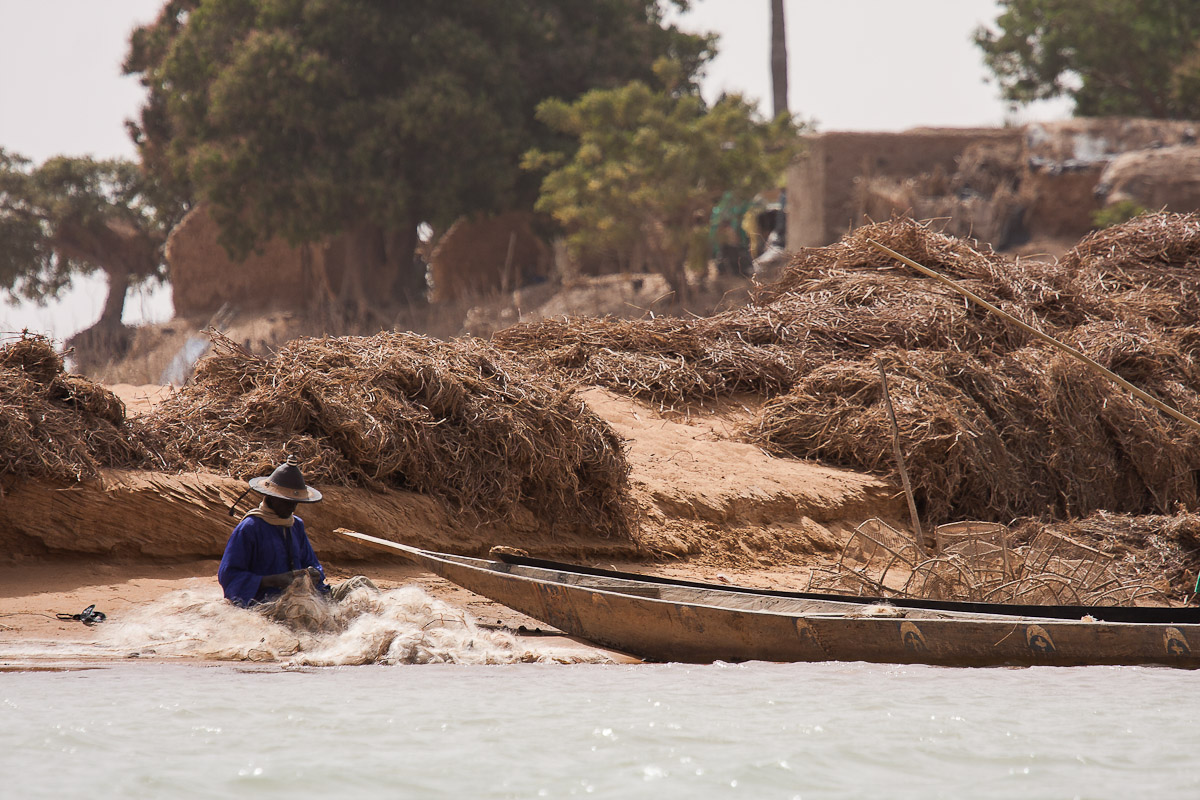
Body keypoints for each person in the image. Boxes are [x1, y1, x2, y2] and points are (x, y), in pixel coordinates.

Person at [219, 455, 373, 606]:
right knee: (301, 610)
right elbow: (229, 576)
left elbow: (311, 563)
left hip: (306, 597)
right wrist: (274, 580)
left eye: (295, 503)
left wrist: (314, 573)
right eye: (287, 502)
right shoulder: (250, 527)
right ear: (271, 497)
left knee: (361, 584)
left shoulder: (296, 525)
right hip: (269, 602)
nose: (292, 507)